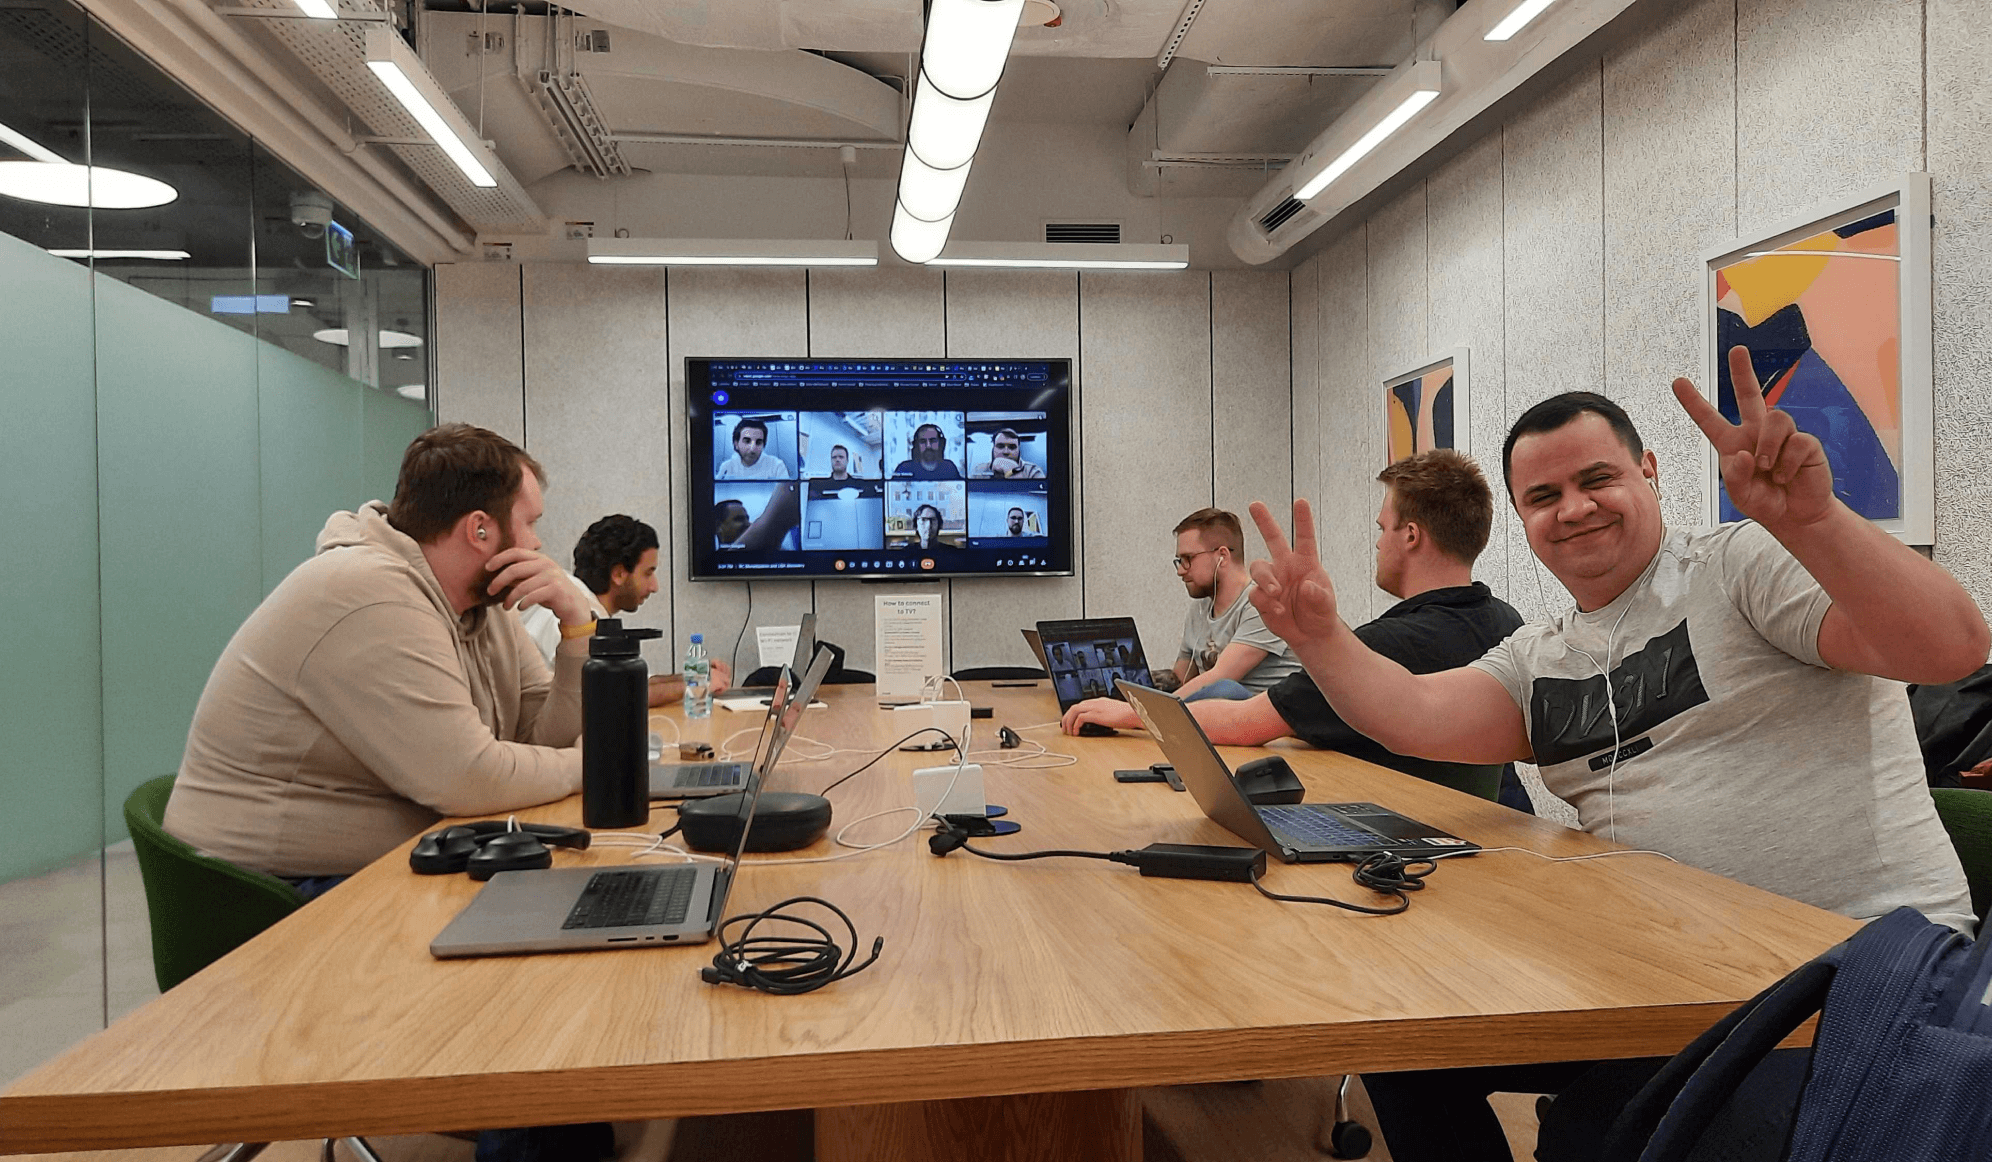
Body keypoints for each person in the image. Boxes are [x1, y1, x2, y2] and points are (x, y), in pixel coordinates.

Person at [1247, 349, 1984, 1162]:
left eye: (1596, 479)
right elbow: (1411, 714)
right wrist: (1319, 638)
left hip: (1853, 984)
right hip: (1666, 980)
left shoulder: (1742, 565)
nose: (1573, 509)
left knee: (1602, 1136)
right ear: (1522, 520)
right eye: (1543, 497)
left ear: (1649, 472)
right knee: (1408, 1039)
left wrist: (1814, 523)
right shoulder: (1539, 657)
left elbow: (1950, 647)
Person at [165, 423, 591, 883]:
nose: (536, 544)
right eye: (530, 523)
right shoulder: (372, 594)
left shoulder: (479, 602)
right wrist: (590, 765)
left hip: (393, 857)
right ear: (480, 529)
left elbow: (540, 742)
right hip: (267, 885)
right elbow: (467, 778)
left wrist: (577, 628)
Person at [1061, 455, 1528, 805]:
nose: (1377, 543)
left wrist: (1130, 713)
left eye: (1382, 528)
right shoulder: (1510, 626)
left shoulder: (1385, 645)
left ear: (1410, 535)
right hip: (1498, 828)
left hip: (1404, 849)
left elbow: (1247, 722)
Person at [519, 515, 733, 703]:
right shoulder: (569, 612)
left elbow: (634, 682)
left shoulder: (586, 604)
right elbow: (613, 694)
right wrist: (696, 682)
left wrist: (696, 674)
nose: (655, 586)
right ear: (619, 574)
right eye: (648, 573)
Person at [715, 417, 790, 480]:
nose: (752, 448)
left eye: (758, 442)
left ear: (763, 445)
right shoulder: (726, 467)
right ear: (736, 444)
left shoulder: (777, 466)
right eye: (747, 441)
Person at [892, 423, 962, 479]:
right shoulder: (904, 469)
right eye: (923, 441)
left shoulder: (949, 468)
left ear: (940, 444)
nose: (928, 446)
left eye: (933, 441)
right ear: (917, 445)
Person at [971, 428, 1044, 479]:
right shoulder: (979, 470)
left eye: (1012, 447)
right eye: (1000, 446)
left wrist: (1012, 472)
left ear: (1019, 451)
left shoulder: (1033, 472)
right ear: (993, 449)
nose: (1006, 452)